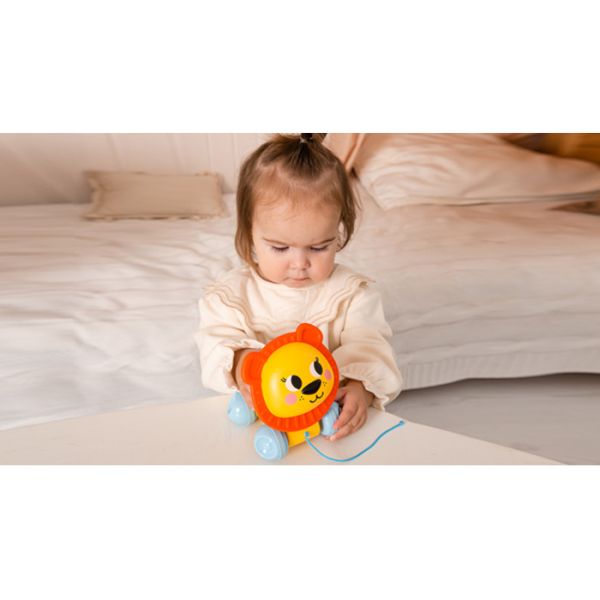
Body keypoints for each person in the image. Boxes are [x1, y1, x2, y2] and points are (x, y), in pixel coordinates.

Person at [195, 133, 402, 441]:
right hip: (257, 426)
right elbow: (214, 345)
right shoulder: (230, 297)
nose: (300, 263)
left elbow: (371, 347)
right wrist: (240, 363)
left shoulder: (351, 295)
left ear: (339, 232)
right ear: (249, 234)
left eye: (319, 247)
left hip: (327, 424)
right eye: (280, 248)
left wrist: (361, 387)